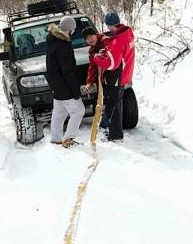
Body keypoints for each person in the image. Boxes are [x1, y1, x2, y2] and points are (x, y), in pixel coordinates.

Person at [91, 11, 135, 141]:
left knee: (112, 108)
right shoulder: (127, 35)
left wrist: (96, 59)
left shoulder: (118, 42)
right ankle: (116, 132)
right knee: (117, 105)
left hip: (116, 78)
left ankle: (115, 135)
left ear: (108, 25)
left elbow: (111, 65)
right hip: (125, 75)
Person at [45, 15, 84, 147]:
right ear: (70, 30)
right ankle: (69, 138)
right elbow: (68, 70)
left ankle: (56, 138)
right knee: (78, 111)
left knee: (59, 113)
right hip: (64, 85)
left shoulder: (53, 40)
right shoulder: (63, 45)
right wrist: (75, 89)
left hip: (56, 84)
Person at [81, 26, 110, 131]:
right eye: (87, 39)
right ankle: (106, 122)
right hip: (102, 78)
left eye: (91, 36)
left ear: (96, 34)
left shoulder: (105, 41)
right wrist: (89, 82)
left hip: (112, 75)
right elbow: (92, 66)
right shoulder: (91, 50)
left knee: (112, 99)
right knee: (105, 99)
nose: (90, 40)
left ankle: (106, 124)